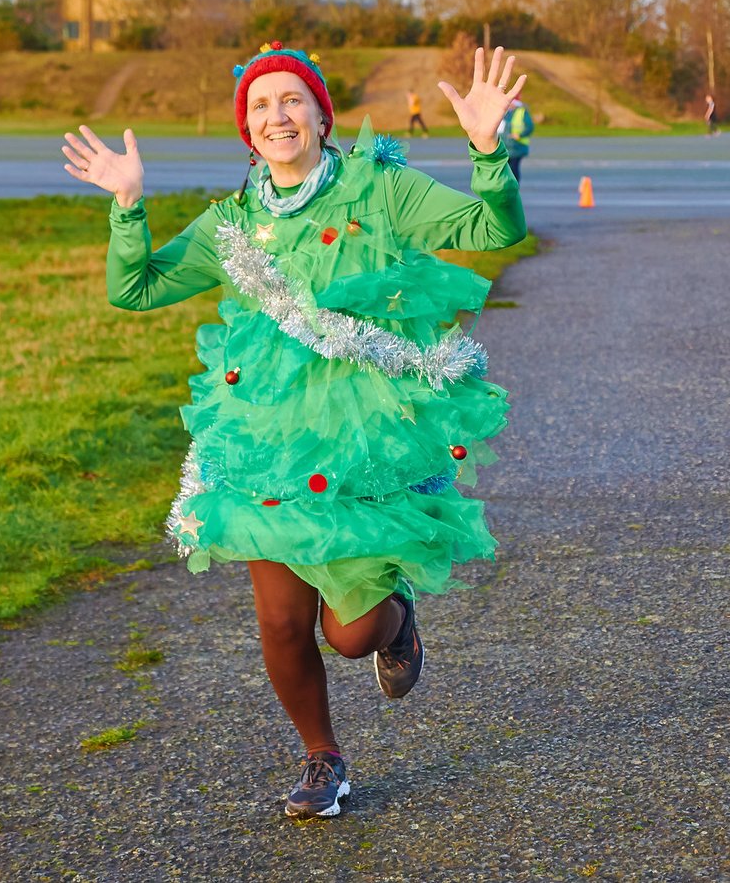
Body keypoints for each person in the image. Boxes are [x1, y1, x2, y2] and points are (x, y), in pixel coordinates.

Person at [61, 42, 527, 820]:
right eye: (260, 106)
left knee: (349, 634)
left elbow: (493, 228)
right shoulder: (231, 225)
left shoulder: (380, 191)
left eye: (291, 100)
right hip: (268, 449)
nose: (276, 116)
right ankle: (323, 760)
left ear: (319, 114)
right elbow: (133, 289)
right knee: (281, 621)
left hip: (365, 446)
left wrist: (487, 150)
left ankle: (398, 620)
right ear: (247, 130)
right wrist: (127, 205)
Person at [498, 98, 534, 181]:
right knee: (504, 169)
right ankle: (506, 187)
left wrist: (520, 135)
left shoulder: (522, 112)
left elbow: (529, 127)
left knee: (513, 168)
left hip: (517, 146)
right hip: (504, 146)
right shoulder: (504, 112)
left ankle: (514, 187)